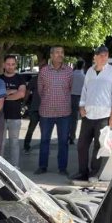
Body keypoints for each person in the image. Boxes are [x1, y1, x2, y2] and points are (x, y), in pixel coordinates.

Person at [74, 45, 112, 181]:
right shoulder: (89, 71)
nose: (103, 57)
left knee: (98, 146)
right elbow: (85, 90)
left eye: (106, 55)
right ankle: (82, 172)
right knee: (82, 145)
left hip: (104, 114)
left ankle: (94, 173)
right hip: (88, 114)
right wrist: (81, 106)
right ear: (95, 57)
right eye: (101, 55)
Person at [36, 46, 73, 175]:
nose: (60, 55)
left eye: (62, 52)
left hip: (64, 113)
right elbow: (40, 90)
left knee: (63, 142)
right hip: (46, 112)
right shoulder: (44, 71)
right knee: (44, 140)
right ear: (51, 55)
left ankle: (62, 168)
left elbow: (70, 89)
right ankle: (42, 166)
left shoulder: (69, 72)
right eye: (57, 52)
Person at [0, 55, 27, 167]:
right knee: (0, 143)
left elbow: (21, 93)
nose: (10, 66)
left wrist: (5, 96)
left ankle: (14, 167)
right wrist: (13, 91)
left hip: (15, 116)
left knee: (14, 143)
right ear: (4, 65)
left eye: (12, 64)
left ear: (16, 65)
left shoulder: (20, 78)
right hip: (0, 116)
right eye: (8, 64)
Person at [22, 56, 42, 153]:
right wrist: (24, 103)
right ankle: (26, 145)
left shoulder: (48, 79)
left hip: (44, 109)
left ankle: (29, 145)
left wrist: (24, 103)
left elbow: (27, 92)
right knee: (31, 129)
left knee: (42, 130)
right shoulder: (35, 79)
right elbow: (27, 91)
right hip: (35, 108)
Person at [69, 59, 86, 144]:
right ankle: (78, 137)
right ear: (83, 66)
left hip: (71, 97)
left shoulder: (71, 75)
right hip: (81, 98)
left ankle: (70, 136)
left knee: (71, 118)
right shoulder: (84, 76)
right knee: (81, 119)